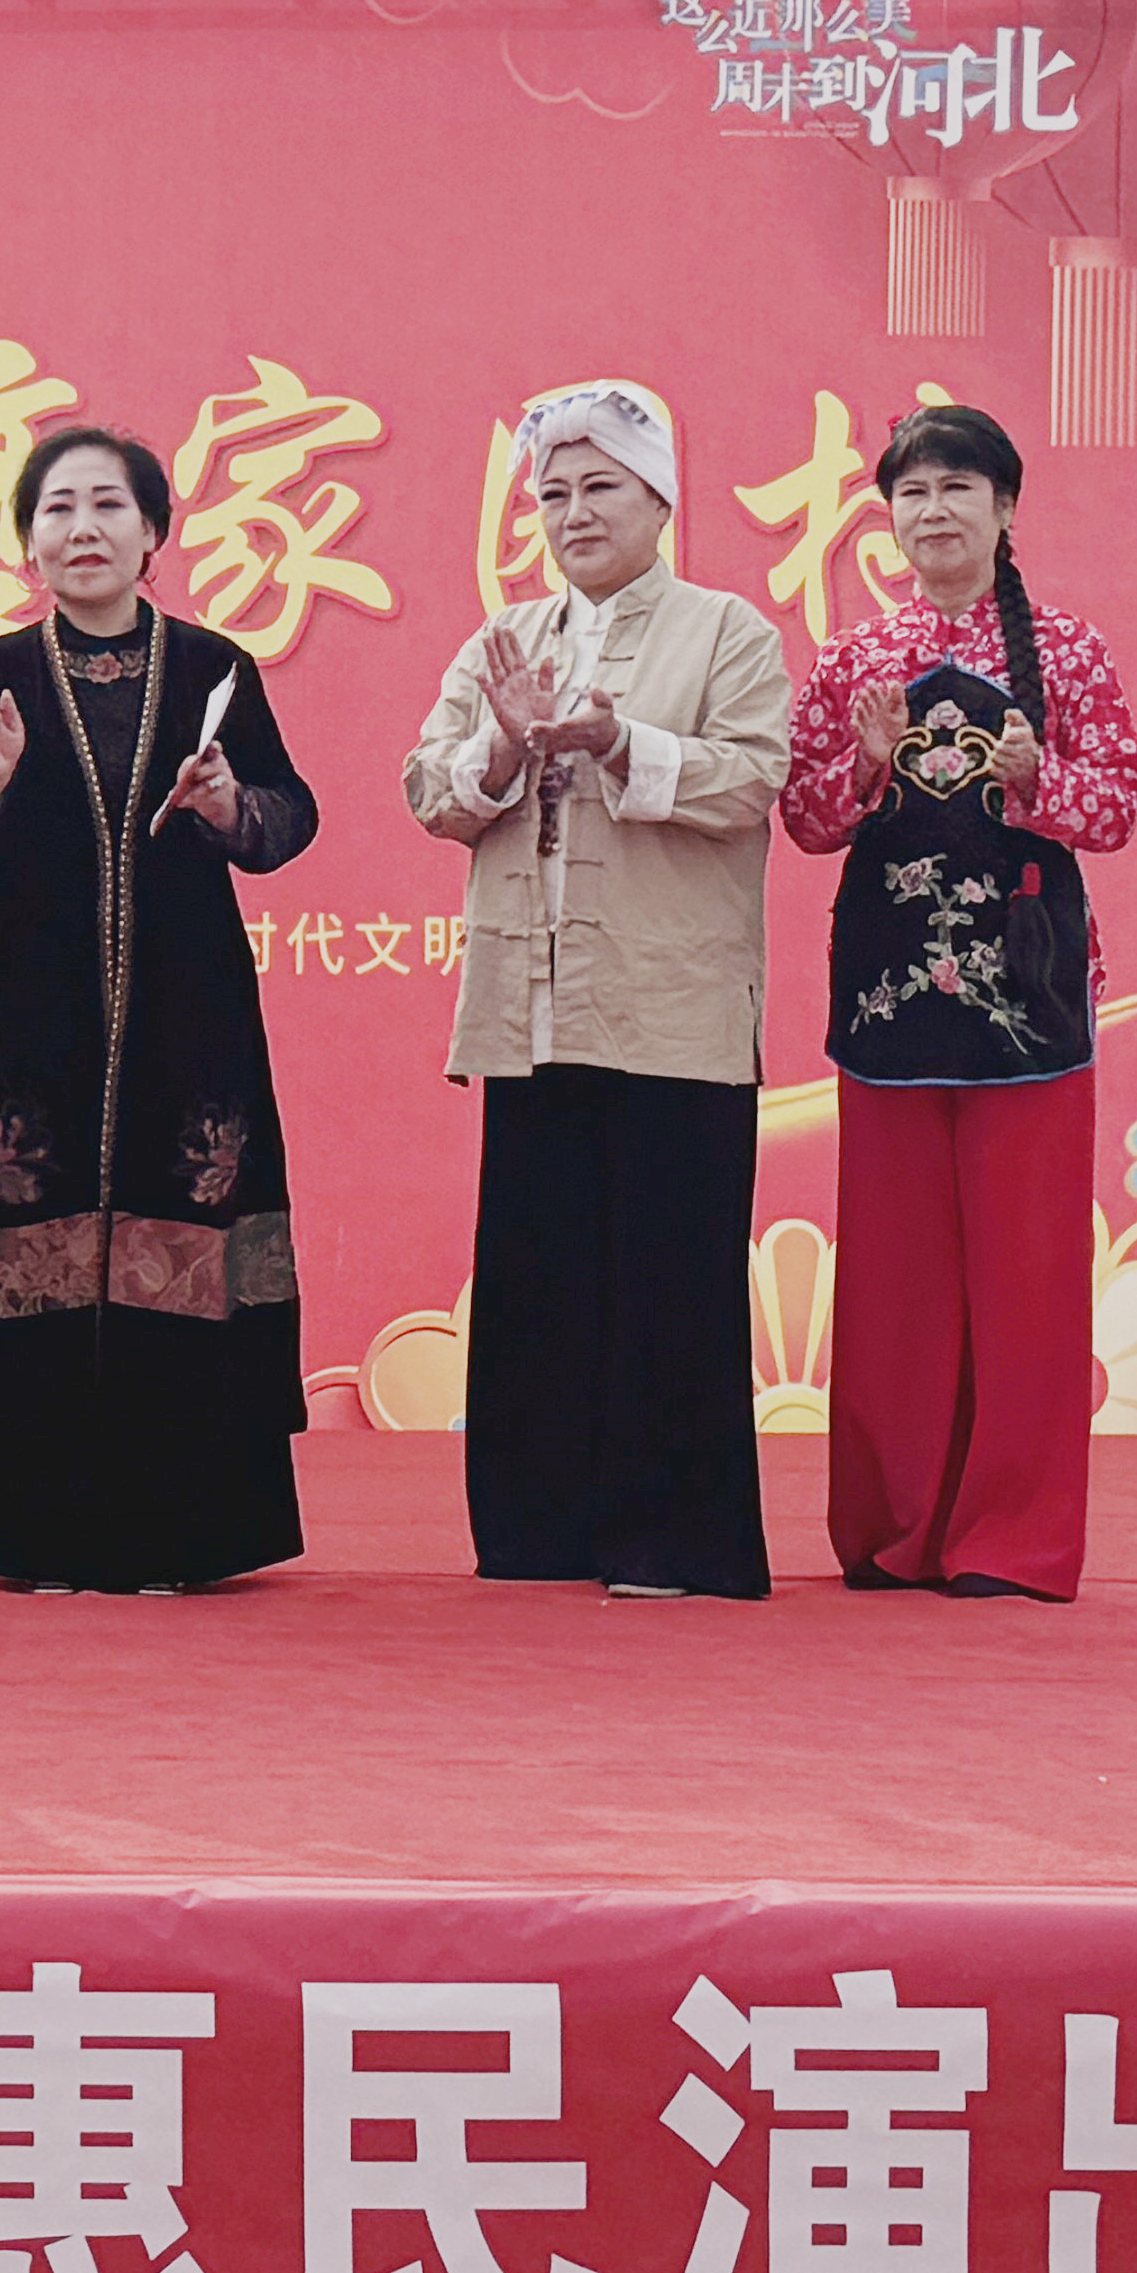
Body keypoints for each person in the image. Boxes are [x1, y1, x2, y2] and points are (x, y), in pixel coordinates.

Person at [0, 426, 319, 1592]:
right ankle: (24, 1531)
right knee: (23, 1242)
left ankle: (182, 1534)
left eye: (107, 507)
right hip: (19, 1018)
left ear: (152, 534)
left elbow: (288, 818)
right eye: (57, 509)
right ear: (26, 543)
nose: (81, 529)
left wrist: (229, 806)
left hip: (189, 1015)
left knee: (181, 1238)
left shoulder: (213, 668)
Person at [403, 381, 793, 1600]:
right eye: (554, 494)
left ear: (660, 500)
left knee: (669, 1277)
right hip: (531, 1008)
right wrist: (506, 745)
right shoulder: (502, 641)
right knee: (540, 1273)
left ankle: (673, 1543)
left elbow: (752, 779)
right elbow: (429, 791)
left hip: (672, 1010)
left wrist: (619, 742)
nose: (574, 513)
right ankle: (537, 1534)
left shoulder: (728, 633)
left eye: (601, 488)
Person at [782, 403, 1137, 1602]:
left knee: (1026, 1278)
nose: (932, 511)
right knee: (894, 1279)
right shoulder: (855, 657)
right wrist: (865, 763)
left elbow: (1119, 804)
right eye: (911, 492)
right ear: (886, 518)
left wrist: (1042, 778)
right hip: (891, 994)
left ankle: (1013, 1539)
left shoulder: (1071, 651)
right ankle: (893, 1530)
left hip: (1027, 996)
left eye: (956, 488)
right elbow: (803, 820)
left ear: (1004, 507)